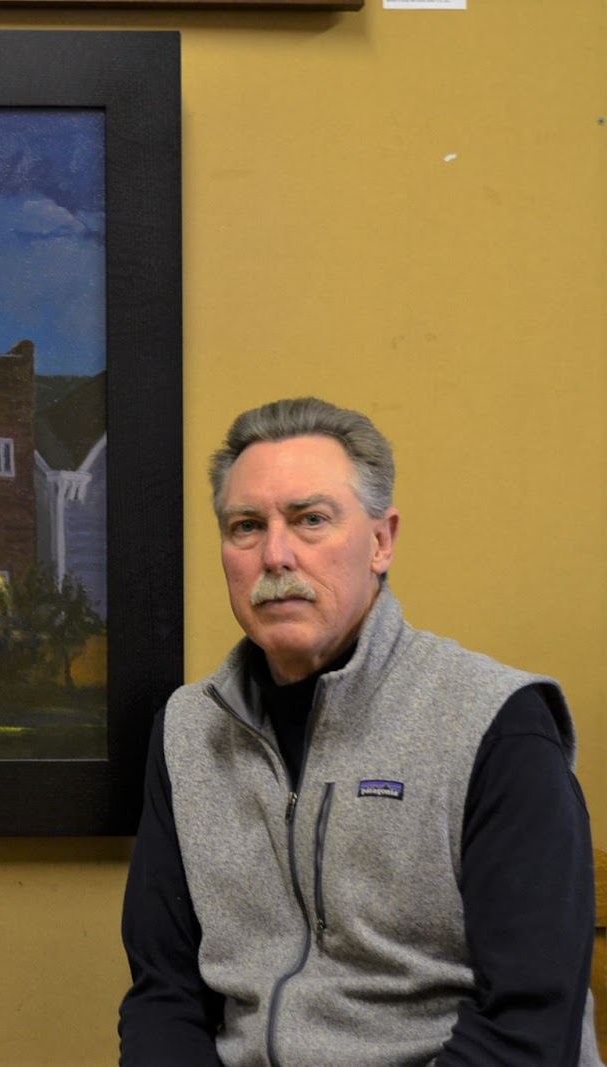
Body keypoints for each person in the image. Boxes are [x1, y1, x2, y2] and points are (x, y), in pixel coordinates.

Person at [118, 397, 600, 1066]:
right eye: (246, 526)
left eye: (310, 519)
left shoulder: (497, 723)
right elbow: (163, 995)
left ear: (381, 541)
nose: (276, 555)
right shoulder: (186, 733)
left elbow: (528, 1028)